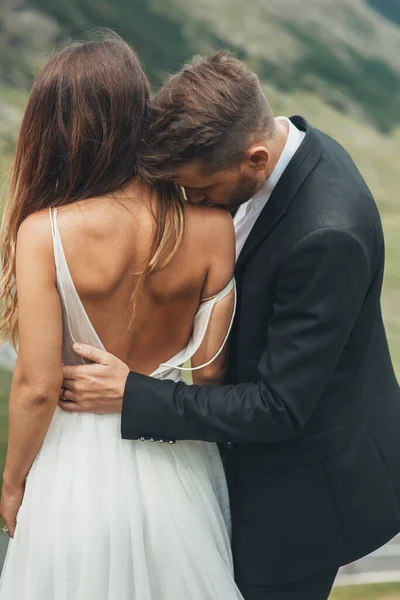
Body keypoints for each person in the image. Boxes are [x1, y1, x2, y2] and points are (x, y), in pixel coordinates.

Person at [61, 53, 400, 600]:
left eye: (200, 191)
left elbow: (278, 408)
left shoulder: (326, 235)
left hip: (303, 498)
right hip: (249, 461)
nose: (192, 205)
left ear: (256, 159)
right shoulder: (264, 148)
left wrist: (131, 394)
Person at [0, 36, 244, 600]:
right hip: (176, 462)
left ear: (59, 130)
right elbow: (209, 374)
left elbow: (38, 387)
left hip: (73, 472)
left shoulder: (44, 232)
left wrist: (12, 484)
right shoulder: (212, 228)